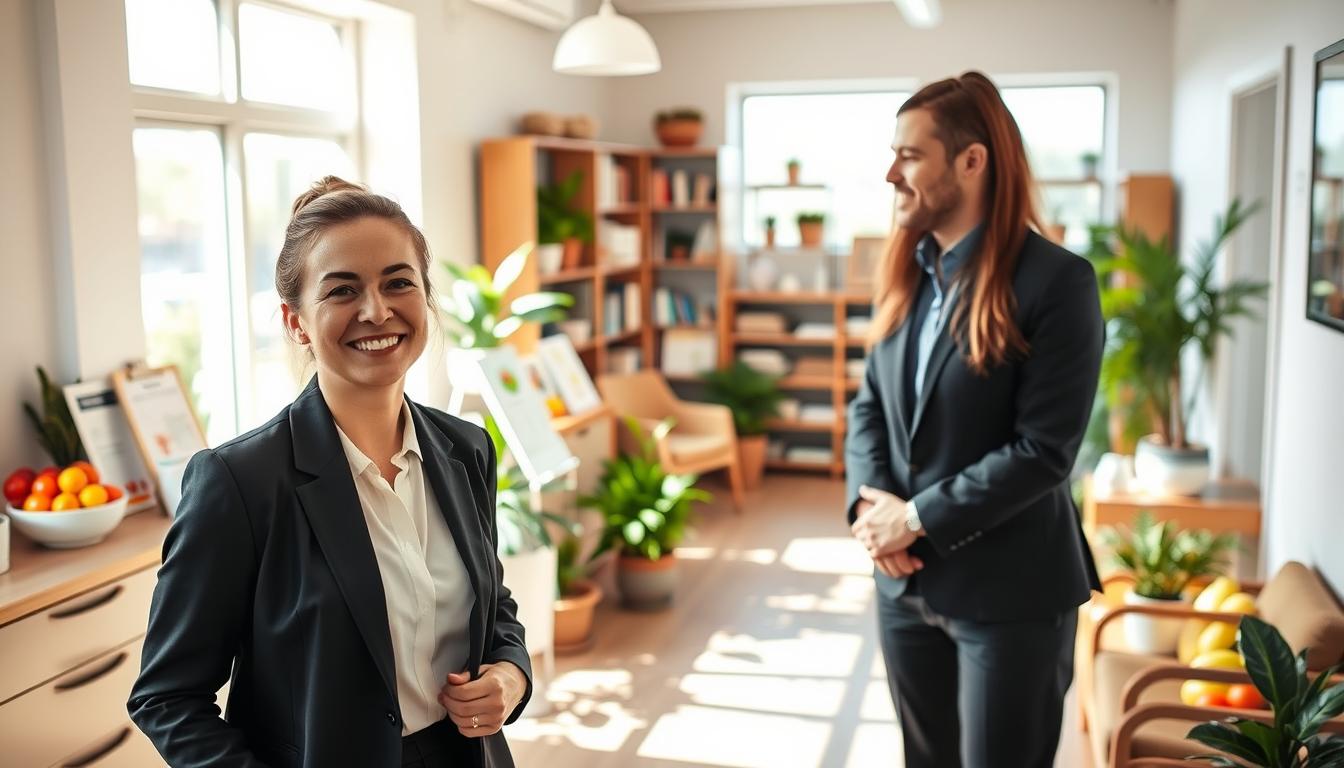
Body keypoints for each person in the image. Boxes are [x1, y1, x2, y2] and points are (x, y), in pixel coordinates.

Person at [129, 177, 531, 768]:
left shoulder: (465, 448)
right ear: (296, 322)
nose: (376, 310)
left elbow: (495, 607)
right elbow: (167, 698)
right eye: (342, 291)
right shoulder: (239, 482)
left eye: (399, 282)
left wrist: (510, 678)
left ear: (427, 298)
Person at [845, 72, 1103, 768]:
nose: (890, 173)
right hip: (905, 582)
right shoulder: (908, 272)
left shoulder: (1058, 282)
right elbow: (868, 403)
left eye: (909, 155)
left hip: (1010, 596)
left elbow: (1044, 451)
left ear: (971, 160)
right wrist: (873, 509)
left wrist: (916, 516)